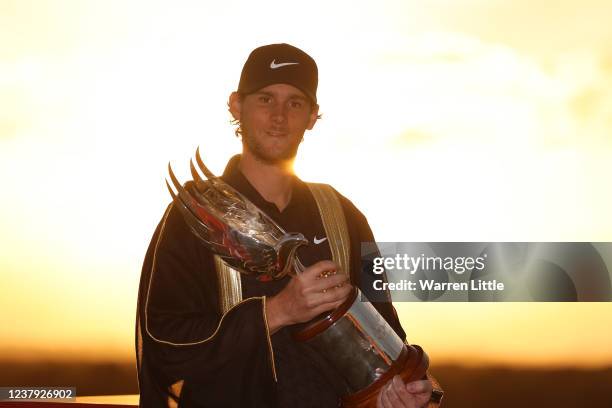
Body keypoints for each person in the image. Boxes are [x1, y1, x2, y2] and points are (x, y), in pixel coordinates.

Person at [136, 43, 435, 408]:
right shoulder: (195, 216)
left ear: (312, 116)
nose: (279, 116)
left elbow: (387, 340)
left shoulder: (344, 215)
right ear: (236, 105)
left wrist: (401, 391)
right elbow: (164, 345)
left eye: (295, 103)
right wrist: (277, 312)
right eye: (265, 99)